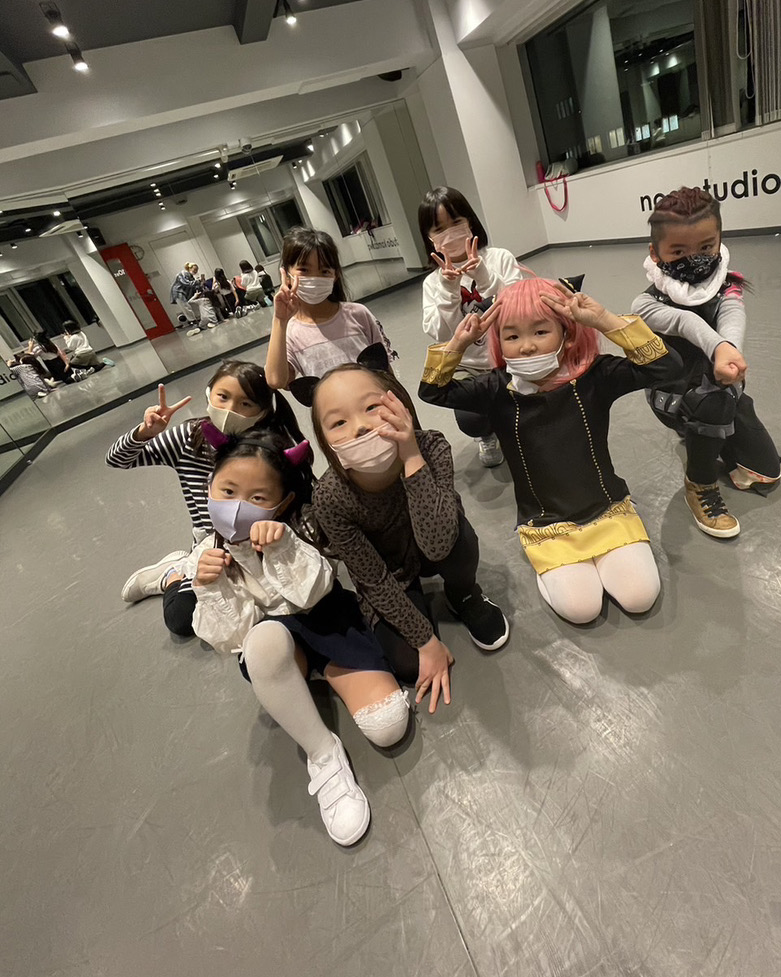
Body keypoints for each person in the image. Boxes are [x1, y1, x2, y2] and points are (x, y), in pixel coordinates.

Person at [186, 429, 409, 845]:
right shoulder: (205, 556)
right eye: (228, 491)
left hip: (327, 622)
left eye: (257, 497)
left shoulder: (298, 526)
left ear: (282, 502)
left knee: (389, 725)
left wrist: (283, 548)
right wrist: (209, 587)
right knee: (262, 642)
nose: (237, 507)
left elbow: (316, 591)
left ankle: (325, 677)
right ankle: (323, 754)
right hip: (275, 647)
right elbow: (233, 638)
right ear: (210, 487)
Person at [418, 276, 683, 626]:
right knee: (582, 609)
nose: (527, 346)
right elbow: (432, 392)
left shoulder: (594, 376)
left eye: (541, 332)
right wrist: (459, 344)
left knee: (640, 597)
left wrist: (605, 320)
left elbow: (667, 368)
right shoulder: (496, 388)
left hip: (608, 511)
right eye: (512, 336)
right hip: (547, 524)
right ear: (499, 341)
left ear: (566, 334)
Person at [310, 363, 509, 714]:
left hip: (435, 547)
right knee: (409, 664)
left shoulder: (431, 446)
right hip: (391, 573)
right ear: (324, 440)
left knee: (459, 538)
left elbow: (439, 543)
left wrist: (411, 456)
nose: (360, 426)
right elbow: (372, 579)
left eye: (372, 407)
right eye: (338, 422)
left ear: (399, 403)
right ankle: (417, 603)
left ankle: (463, 594)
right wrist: (426, 641)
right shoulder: (330, 498)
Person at [106, 359, 306, 637]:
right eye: (223, 397)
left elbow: (294, 499)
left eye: (245, 403)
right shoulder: (188, 437)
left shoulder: (269, 446)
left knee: (285, 601)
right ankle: (172, 574)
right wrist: (144, 433)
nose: (230, 410)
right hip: (212, 545)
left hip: (263, 540)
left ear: (263, 411)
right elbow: (118, 459)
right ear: (209, 394)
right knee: (182, 618)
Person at [631, 186, 781, 538]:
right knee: (712, 402)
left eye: (705, 247)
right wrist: (718, 349)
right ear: (655, 253)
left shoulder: (726, 287)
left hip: (722, 387)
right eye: (678, 251)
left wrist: (729, 351)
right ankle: (699, 484)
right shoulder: (646, 304)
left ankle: (710, 433)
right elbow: (684, 322)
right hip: (674, 394)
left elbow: (731, 313)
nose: (695, 258)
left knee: (767, 471)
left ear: (719, 241)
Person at [419, 187, 520, 468]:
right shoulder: (432, 284)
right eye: (439, 229)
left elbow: (520, 311)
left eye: (456, 222)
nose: (450, 234)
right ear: (429, 238)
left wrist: (484, 277)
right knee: (471, 419)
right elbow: (442, 335)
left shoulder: (499, 258)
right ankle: (486, 435)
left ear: (470, 222)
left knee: (525, 403)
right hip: (468, 367)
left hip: (509, 357)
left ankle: (517, 427)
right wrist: (448, 290)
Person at [265, 227, 396, 395]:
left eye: (324, 271)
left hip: (375, 405)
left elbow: (385, 369)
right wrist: (279, 321)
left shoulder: (358, 314)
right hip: (331, 411)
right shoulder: (290, 332)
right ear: (286, 273)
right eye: (304, 270)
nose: (315, 278)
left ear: (336, 275)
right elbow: (276, 380)